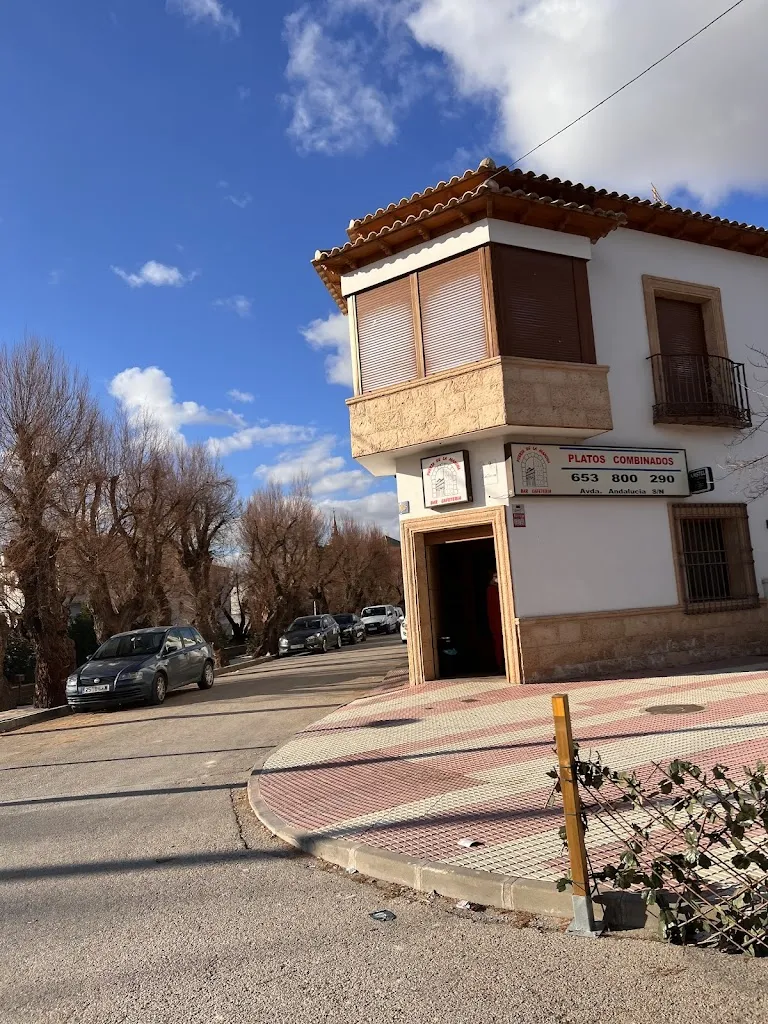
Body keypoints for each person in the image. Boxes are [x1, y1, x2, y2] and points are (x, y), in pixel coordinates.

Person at [486, 570, 504, 673]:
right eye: (495, 576)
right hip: (496, 622)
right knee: (498, 643)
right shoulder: (491, 590)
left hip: (501, 620)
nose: (496, 578)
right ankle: (500, 665)